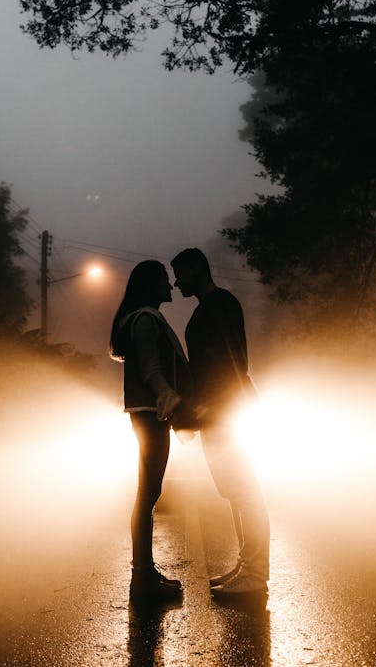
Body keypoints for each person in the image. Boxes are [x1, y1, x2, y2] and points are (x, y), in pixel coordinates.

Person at [170, 247, 270, 595]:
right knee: (234, 492)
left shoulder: (222, 305)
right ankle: (247, 566)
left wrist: (215, 405)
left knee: (246, 491)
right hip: (217, 413)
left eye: (180, 273)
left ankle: (256, 575)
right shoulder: (205, 310)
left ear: (198, 268)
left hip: (227, 412)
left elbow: (234, 362)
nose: (176, 281)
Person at [110, 260, 192, 600]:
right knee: (148, 493)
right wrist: (165, 395)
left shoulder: (144, 318)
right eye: (163, 280)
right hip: (149, 413)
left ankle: (143, 574)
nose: (170, 286)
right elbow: (150, 367)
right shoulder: (145, 319)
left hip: (149, 412)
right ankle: (142, 578)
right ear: (148, 285)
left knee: (149, 492)